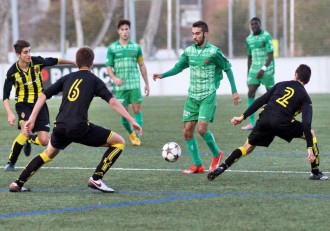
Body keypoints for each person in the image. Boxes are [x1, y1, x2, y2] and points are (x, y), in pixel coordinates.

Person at [9, 47, 142, 193]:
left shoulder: (67, 77)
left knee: (48, 153)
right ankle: (96, 178)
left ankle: (17, 183)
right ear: (92, 63)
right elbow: (113, 102)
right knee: (119, 142)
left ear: (77, 63)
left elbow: (43, 96)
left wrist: (32, 118)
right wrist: (131, 120)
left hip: (60, 127)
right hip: (79, 127)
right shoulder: (94, 80)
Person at [208, 64, 328, 181]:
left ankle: (223, 166)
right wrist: (309, 147)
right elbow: (306, 123)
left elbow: (260, 100)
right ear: (307, 80)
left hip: (265, 118)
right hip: (283, 123)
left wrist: (242, 116)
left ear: (295, 75)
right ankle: (315, 172)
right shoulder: (306, 98)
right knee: (311, 133)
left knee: (247, 147)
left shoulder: (280, 85)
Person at [153, 21, 241, 174]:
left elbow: (227, 68)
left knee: (201, 130)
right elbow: (178, 67)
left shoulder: (214, 52)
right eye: (193, 33)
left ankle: (216, 154)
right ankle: (198, 165)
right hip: (192, 96)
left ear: (205, 34)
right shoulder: (189, 52)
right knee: (187, 132)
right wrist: (162, 75)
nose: (194, 36)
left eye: (198, 33)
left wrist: (234, 91)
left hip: (208, 95)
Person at [3, 39, 76, 171]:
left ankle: (29, 139)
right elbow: (5, 96)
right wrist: (10, 113)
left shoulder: (37, 62)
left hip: (40, 104)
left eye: (30, 51)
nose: (29, 54)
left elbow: (56, 60)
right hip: (23, 104)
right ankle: (10, 162)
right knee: (25, 129)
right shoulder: (12, 72)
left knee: (44, 141)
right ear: (18, 55)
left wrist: (73, 62)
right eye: (25, 52)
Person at [105, 19, 149, 146]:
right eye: (122, 29)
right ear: (118, 31)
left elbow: (142, 65)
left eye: (127, 29)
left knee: (137, 110)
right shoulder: (112, 48)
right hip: (120, 86)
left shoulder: (136, 47)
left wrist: (147, 83)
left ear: (130, 31)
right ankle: (131, 133)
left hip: (134, 84)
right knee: (124, 114)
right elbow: (108, 66)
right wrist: (114, 78)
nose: (125, 31)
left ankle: (137, 135)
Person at [241, 17, 275, 130]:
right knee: (250, 92)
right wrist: (248, 73)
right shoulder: (248, 39)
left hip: (267, 70)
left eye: (256, 24)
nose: (254, 26)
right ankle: (252, 123)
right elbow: (249, 57)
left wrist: (263, 69)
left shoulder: (266, 36)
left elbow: (271, 54)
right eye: (252, 24)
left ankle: (273, 121)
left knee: (272, 96)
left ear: (260, 24)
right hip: (254, 70)